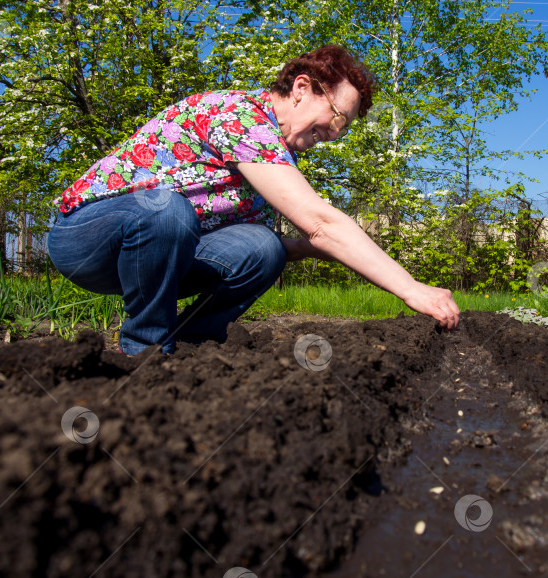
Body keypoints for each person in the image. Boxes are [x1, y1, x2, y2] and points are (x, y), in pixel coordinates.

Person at [47, 45, 460, 355]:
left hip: (159, 256)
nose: (335, 135)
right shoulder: (241, 116)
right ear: (302, 88)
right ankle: (145, 350)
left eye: (344, 128)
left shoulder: (273, 159)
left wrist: (312, 251)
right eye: (337, 117)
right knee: (166, 210)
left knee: (262, 247)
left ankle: (191, 344)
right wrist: (411, 289)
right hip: (85, 239)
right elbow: (321, 221)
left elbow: (264, 248)